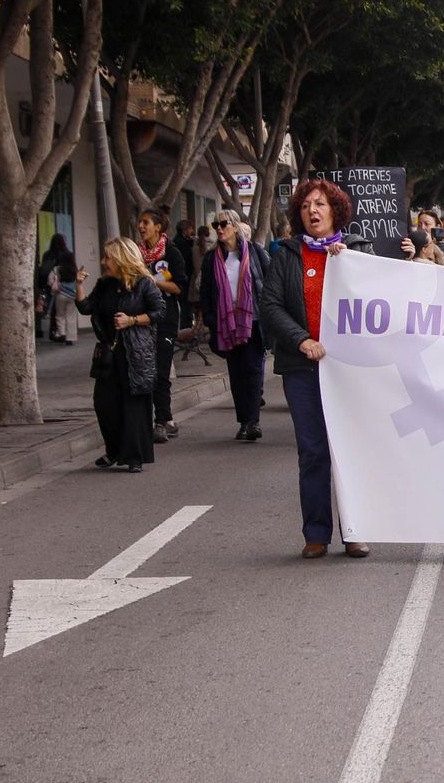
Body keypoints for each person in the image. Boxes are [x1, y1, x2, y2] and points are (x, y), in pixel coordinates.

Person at [258, 178, 375, 560]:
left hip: (348, 372)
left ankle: (355, 530)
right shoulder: (286, 255)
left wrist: (352, 267)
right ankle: (316, 533)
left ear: (335, 211)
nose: (313, 211)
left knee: (351, 450)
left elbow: (382, 300)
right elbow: (271, 305)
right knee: (313, 451)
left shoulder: (356, 251)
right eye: (307, 205)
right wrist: (300, 340)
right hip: (302, 369)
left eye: (321, 204)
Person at [76, 239, 162, 473]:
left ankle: (134, 457)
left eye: (108, 258)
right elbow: (86, 308)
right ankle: (113, 449)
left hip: (135, 353)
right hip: (109, 353)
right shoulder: (104, 285)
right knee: (104, 404)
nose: (104, 262)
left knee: (134, 406)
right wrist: (79, 285)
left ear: (121, 259)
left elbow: (158, 311)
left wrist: (132, 320)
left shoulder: (144, 284)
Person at [199, 209, 270, 443]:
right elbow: (206, 293)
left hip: (253, 320)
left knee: (253, 370)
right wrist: (210, 320)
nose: (219, 228)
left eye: (223, 224)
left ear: (235, 226)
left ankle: (253, 422)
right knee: (237, 374)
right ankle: (244, 421)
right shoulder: (212, 259)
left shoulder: (255, 253)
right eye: (215, 224)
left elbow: (269, 283)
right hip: (226, 324)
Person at [137, 210, 187, 443]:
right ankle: (145, 419)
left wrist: (153, 281)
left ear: (158, 227)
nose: (141, 226)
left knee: (160, 369)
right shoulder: (136, 254)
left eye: (145, 222)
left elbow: (178, 287)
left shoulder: (171, 252)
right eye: (139, 222)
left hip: (164, 319)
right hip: (140, 318)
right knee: (143, 370)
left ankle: (162, 420)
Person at [45, 237, 80, 344]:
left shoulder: (57, 269)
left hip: (60, 294)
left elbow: (50, 280)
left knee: (60, 315)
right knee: (71, 316)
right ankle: (71, 338)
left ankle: (62, 334)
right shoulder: (74, 271)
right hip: (72, 294)